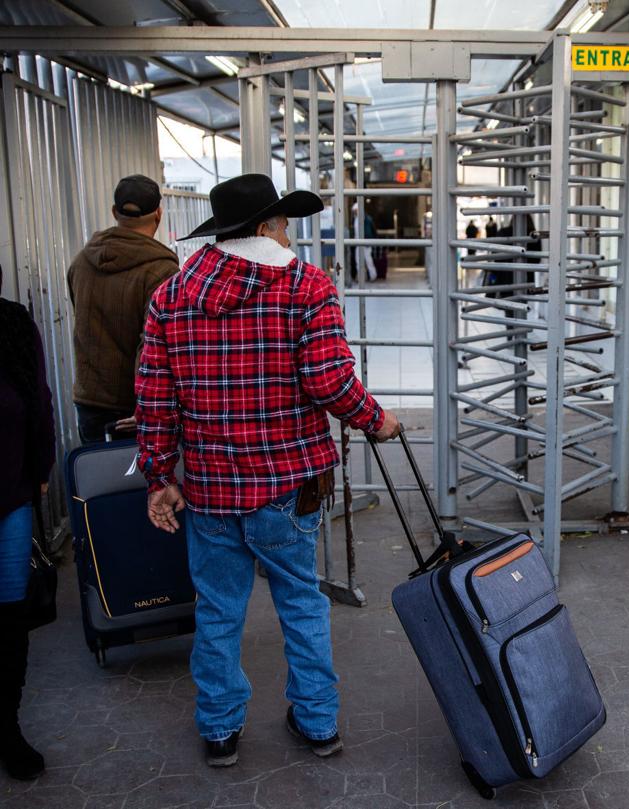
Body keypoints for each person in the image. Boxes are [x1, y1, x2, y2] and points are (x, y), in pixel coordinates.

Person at [134, 174, 401, 768]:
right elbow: (330, 381)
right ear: (262, 229)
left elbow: (154, 399)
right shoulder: (306, 285)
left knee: (218, 609)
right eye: (282, 223)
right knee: (302, 602)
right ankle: (317, 722)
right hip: (288, 485)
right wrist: (376, 420)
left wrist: (159, 476)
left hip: (209, 487)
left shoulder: (171, 296)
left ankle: (221, 731)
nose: (289, 234)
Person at [68, 175, 178, 443]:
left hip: (89, 402)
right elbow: (151, 345)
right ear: (158, 214)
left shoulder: (81, 262)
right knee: (142, 484)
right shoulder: (162, 272)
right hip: (135, 409)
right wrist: (146, 405)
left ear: (115, 212)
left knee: (98, 482)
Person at [0, 281, 55, 780]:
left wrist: (40, 469)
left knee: (9, 615)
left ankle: (6, 726)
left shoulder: (13, 324)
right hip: (13, 489)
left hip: (9, 496)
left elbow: (37, 398)